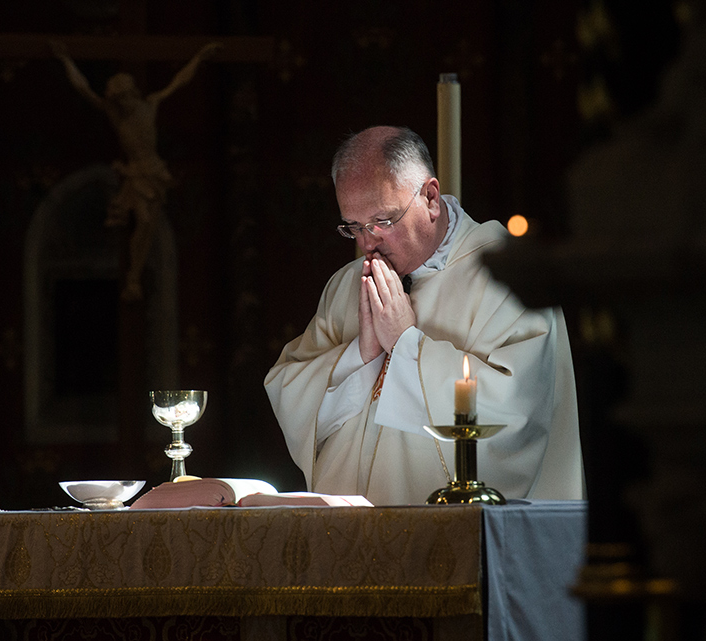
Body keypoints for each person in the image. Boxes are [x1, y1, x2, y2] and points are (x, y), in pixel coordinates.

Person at [264, 126, 584, 505]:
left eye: (382, 221)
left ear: (430, 197)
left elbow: (518, 415)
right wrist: (360, 357)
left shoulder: (510, 279)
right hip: (346, 540)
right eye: (353, 227)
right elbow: (291, 395)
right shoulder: (346, 285)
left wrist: (405, 344)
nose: (367, 244)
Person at [53, 41, 221, 301]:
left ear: (133, 93)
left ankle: (134, 278)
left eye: (125, 97)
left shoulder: (150, 105)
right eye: (118, 100)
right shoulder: (116, 116)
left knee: (147, 225)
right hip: (135, 175)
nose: (123, 103)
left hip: (153, 173)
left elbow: (179, 81)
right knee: (142, 222)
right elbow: (84, 89)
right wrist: (65, 60)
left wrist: (198, 57)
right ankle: (133, 279)